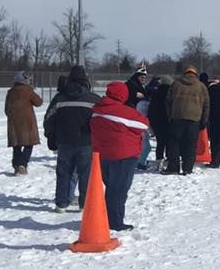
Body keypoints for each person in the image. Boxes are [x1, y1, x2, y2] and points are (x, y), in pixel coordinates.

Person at [90, 82, 148, 232]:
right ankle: (115, 222)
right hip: (124, 156)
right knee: (119, 190)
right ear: (123, 95)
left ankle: (106, 217)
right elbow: (143, 125)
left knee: (111, 188)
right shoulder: (123, 111)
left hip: (102, 155)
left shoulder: (98, 109)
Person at [43, 66, 99, 212]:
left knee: (64, 173)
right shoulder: (93, 99)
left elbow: (49, 119)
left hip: (64, 142)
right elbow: (101, 120)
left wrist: (51, 136)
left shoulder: (59, 99)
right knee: (85, 174)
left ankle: (61, 203)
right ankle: (84, 204)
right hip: (86, 142)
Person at [164, 66, 210, 175]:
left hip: (177, 118)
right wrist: (204, 120)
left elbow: (168, 101)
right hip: (194, 119)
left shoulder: (176, 84)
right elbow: (206, 105)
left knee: (174, 143)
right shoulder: (201, 86)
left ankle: (173, 167)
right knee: (191, 144)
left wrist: (170, 115)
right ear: (195, 74)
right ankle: (187, 168)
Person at [5, 71, 42, 176]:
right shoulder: (28, 90)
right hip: (27, 123)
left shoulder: (10, 92)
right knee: (29, 144)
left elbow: (6, 110)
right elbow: (39, 102)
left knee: (16, 145)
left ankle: (16, 165)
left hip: (14, 123)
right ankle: (22, 165)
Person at [148, 76, 172, 170]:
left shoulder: (155, 94)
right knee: (169, 143)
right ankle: (168, 161)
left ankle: (159, 162)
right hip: (169, 122)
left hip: (157, 123)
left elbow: (151, 110)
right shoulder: (171, 94)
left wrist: (152, 123)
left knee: (160, 143)